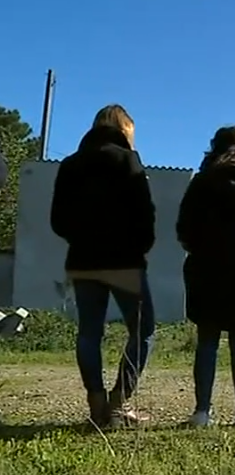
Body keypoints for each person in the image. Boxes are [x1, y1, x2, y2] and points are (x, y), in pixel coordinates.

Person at [49, 104, 157, 428]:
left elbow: (58, 221)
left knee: (89, 333)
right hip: (124, 260)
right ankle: (117, 401)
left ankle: (95, 402)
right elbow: (145, 214)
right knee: (144, 330)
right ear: (125, 131)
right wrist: (140, 246)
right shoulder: (128, 161)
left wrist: (82, 238)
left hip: (83, 261)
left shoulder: (70, 165)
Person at [176, 125, 235, 429]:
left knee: (207, 340)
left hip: (207, 270)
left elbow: (183, 230)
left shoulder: (201, 183)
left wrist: (202, 249)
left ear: (214, 147)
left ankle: (202, 412)